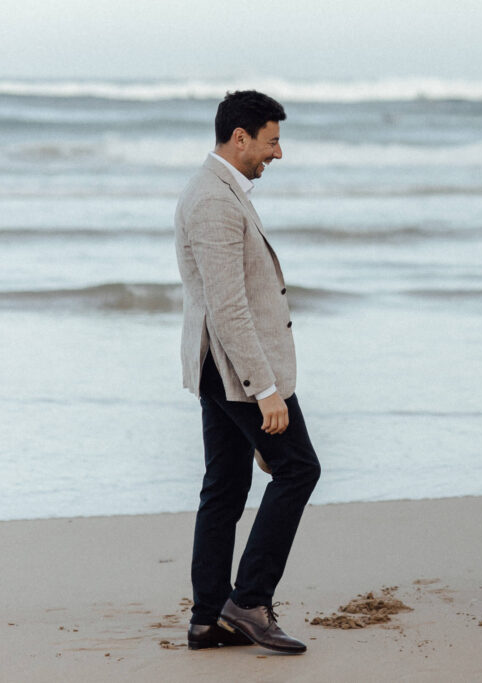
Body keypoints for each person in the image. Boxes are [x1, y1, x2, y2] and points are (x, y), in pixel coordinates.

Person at [175, 90, 320, 654]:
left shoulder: (221, 189)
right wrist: (266, 391)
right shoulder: (213, 199)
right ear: (241, 137)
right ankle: (249, 600)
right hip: (237, 370)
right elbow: (228, 306)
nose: (277, 154)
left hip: (218, 366)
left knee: (226, 487)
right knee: (298, 469)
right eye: (272, 140)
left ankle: (209, 618)